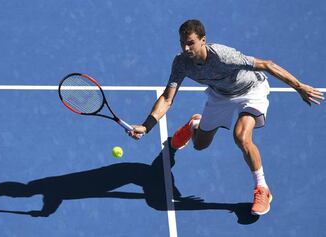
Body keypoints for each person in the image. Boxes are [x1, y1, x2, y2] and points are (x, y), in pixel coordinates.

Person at [130, 19, 324, 216]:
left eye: (191, 43)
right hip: (221, 95)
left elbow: (267, 64)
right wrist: (147, 126)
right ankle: (194, 125)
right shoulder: (181, 63)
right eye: (182, 43)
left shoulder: (223, 56)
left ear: (203, 40)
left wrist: (299, 87)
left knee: (241, 136)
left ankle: (262, 189)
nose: (186, 48)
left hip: (251, 91)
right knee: (200, 145)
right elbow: (167, 98)